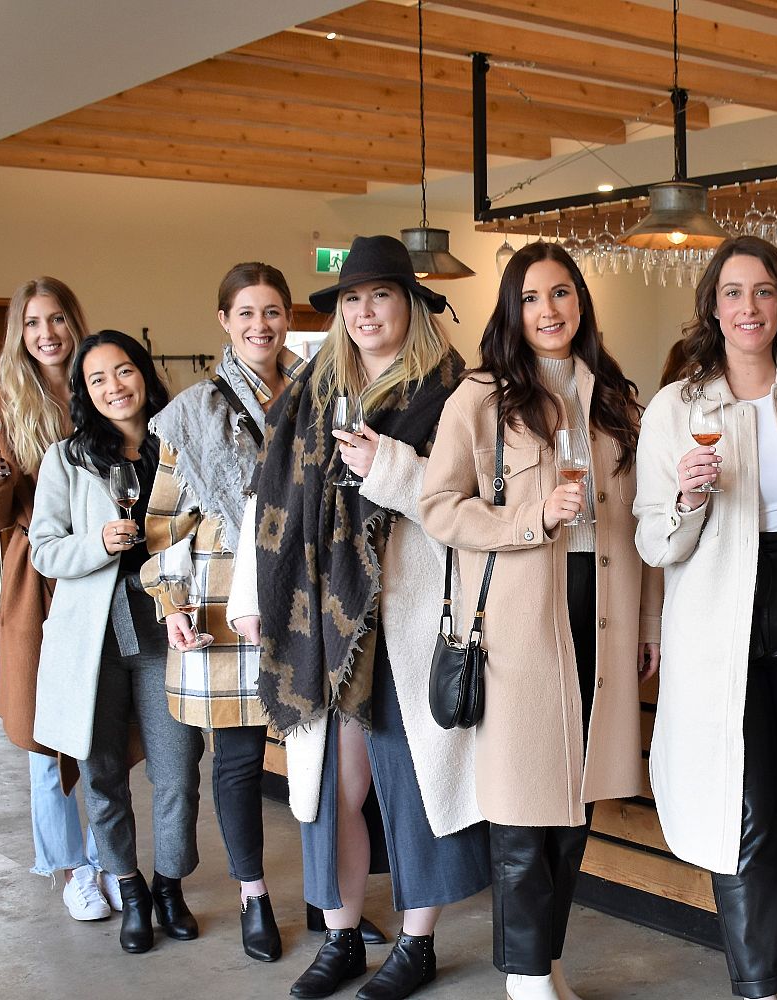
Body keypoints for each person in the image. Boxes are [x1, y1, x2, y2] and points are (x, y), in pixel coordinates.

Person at [227, 235, 491, 1000]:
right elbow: (264, 500)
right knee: (331, 790)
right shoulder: (309, 390)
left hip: (409, 610)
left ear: (410, 304)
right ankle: (341, 935)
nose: (366, 310)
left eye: (381, 295)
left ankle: (417, 944)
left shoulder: (455, 392)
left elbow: (464, 510)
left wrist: (390, 468)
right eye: (352, 298)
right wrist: (253, 598)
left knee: (409, 783)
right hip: (322, 618)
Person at [419, 241, 660, 1000]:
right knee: (526, 803)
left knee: (574, 802)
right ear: (511, 310)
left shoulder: (615, 394)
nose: (548, 310)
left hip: (606, 612)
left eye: (560, 294)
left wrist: (649, 620)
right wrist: (531, 516)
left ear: (580, 302)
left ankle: (543, 960)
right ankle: (525, 978)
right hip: (525, 621)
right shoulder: (479, 398)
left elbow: (640, 525)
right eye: (530, 297)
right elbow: (438, 508)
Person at [633, 236, 777, 1000]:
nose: (749, 307)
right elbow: (654, 540)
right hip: (720, 622)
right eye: (734, 293)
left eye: (764, 292)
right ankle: (761, 988)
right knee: (743, 808)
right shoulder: (676, 408)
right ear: (713, 309)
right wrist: (686, 498)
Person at [137, 262, 305, 964]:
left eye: (271, 312)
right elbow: (163, 523)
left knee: (318, 753)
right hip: (219, 598)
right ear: (224, 322)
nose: (260, 325)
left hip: (300, 591)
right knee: (237, 761)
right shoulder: (190, 411)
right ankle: (254, 897)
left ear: (287, 318)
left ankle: (330, 896)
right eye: (246, 313)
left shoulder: (319, 393)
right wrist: (170, 602)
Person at [29, 329, 204, 955]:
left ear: (144, 375)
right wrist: (95, 544)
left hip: (168, 627)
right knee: (101, 771)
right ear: (84, 392)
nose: (113, 387)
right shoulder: (67, 459)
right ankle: (128, 888)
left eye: (123, 371)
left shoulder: (181, 444)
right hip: (93, 639)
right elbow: (44, 551)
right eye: (97, 379)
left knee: (178, 770)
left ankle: (169, 885)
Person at [0, 276, 116, 921]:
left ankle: (112, 856)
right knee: (40, 725)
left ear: (74, 321)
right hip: (36, 572)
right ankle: (71, 866)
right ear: (19, 333)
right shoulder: (3, 405)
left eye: (57, 319)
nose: (47, 333)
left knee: (104, 718)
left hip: (103, 564)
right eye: (33, 323)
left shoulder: (99, 381)